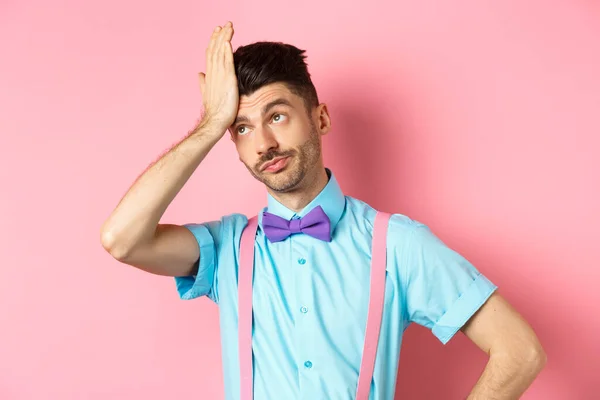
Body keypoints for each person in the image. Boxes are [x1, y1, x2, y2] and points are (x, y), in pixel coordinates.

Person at [100, 21, 546, 400]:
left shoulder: (398, 245)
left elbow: (519, 350)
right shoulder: (227, 250)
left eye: (277, 116)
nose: (264, 144)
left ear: (321, 119)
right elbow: (122, 239)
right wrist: (209, 124)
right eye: (242, 127)